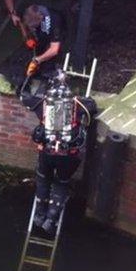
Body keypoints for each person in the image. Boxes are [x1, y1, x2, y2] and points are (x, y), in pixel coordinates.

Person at [29, 71, 97, 233]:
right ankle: (51, 220)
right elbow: (92, 108)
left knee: (43, 179)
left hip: (47, 152)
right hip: (68, 156)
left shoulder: (43, 103)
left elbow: (26, 98)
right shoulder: (79, 105)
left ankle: (39, 216)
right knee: (61, 183)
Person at [21, 4, 64, 79]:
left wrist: (38, 60)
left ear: (40, 18)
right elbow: (22, 23)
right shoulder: (29, 11)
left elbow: (54, 50)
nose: (31, 28)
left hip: (56, 34)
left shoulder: (54, 22)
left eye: (33, 26)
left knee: (48, 57)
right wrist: (27, 38)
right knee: (33, 51)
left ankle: (54, 74)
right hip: (41, 33)